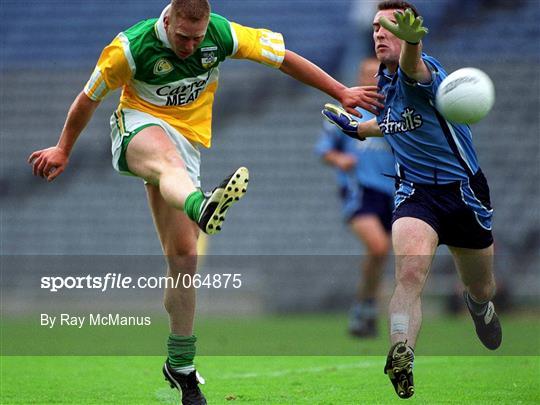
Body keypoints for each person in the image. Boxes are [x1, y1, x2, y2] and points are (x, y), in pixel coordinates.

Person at [27, 1, 384, 403]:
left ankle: (180, 365)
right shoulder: (129, 47)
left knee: (183, 259)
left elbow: (283, 59)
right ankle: (202, 206)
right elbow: (87, 98)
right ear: (168, 20)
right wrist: (63, 149)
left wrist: (340, 90)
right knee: (166, 163)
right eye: (183, 37)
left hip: (188, 146)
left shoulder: (222, 33)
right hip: (138, 127)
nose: (190, 46)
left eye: (197, 39)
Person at [322, 1, 502, 399]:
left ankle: (477, 305)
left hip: (464, 192)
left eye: (388, 28)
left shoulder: (417, 70)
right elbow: (388, 124)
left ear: (407, 34)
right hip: (416, 193)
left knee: (483, 286)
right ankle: (402, 351)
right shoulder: (384, 84)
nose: (378, 34)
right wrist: (356, 129)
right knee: (408, 275)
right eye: (375, 28)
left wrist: (413, 42)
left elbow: (412, 66)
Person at [317, 57, 395, 338]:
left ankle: (366, 306)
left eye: (375, 76)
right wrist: (340, 159)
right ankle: (365, 307)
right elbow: (324, 150)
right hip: (360, 191)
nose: (370, 80)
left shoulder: (394, 112)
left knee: (382, 253)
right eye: (365, 74)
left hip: (394, 193)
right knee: (377, 247)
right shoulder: (348, 112)